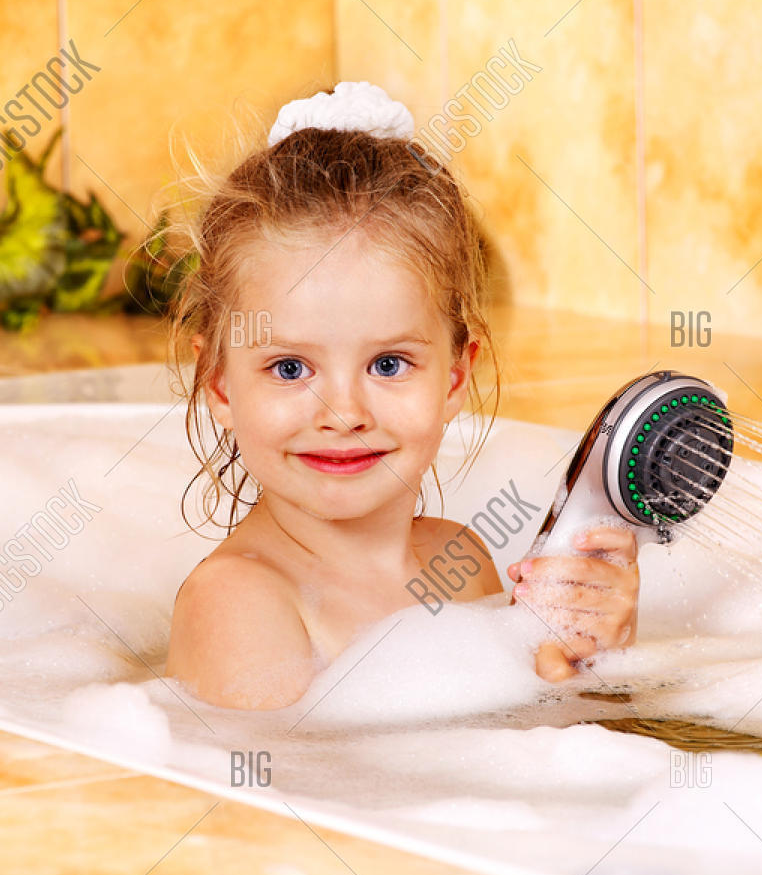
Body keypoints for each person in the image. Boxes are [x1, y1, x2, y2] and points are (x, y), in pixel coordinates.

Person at [163, 82, 638, 709]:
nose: (345, 414)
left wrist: (588, 656)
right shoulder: (240, 602)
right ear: (220, 384)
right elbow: (280, 802)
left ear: (454, 379)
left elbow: (518, 760)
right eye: (288, 368)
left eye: (388, 364)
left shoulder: (460, 559)